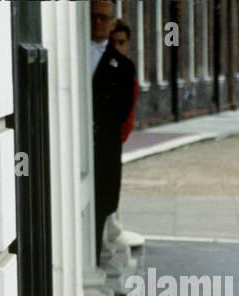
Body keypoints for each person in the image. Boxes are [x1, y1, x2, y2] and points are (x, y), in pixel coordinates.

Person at [90, 1, 136, 256]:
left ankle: (96, 263)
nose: (97, 22)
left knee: (99, 215)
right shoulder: (71, 57)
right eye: (93, 17)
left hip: (103, 153)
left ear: (112, 22)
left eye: (103, 18)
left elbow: (120, 114)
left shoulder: (124, 67)